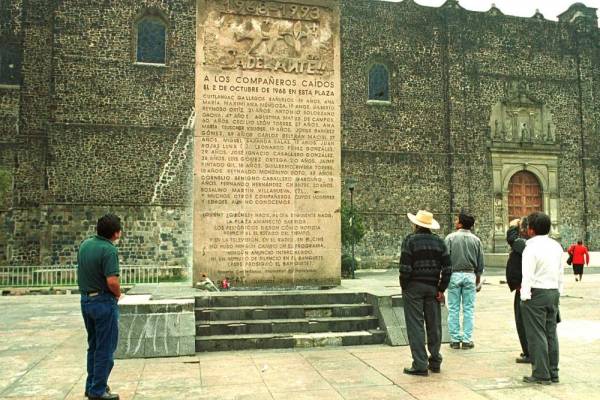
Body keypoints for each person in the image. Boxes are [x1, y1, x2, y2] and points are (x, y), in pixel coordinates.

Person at [399, 210, 452, 376]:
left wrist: (404, 285)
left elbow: (405, 268)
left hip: (414, 287)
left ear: (416, 224)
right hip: (432, 288)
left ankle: (420, 364)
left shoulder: (410, 241)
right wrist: (441, 288)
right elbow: (448, 268)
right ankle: (435, 360)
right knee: (434, 325)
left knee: (416, 326)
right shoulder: (439, 242)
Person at [77, 214, 123, 400]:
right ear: (116, 233)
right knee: (105, 349)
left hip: (86, 300)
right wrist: (119, 294)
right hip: (103, 302)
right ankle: (98, 391)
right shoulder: (108, 250)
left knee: (94, 347)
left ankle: (92, 386)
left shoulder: (85, 245)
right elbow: (112, 281)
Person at [520, 211, 563, 385]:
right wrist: (559, 291)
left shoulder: (530, 247)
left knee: (536, 335)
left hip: (536, 293)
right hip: (553, 292)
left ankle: (540, 373)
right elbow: (560, 273)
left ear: (531, 230)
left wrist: (524, 296)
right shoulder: (556, 246)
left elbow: (527, 274)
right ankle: (553, 372)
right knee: (551, 333)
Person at [444, 210, 485, 349]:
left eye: (457, 220)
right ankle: (467, 340)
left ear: (460, 224)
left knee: (454, 308)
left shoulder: (450, 238)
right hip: (470, 275)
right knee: (468, 309)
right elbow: (480, 264)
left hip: (454, 275)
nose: (455, 222)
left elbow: (445, 260)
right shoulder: (476, 240)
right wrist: (477, 280)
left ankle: (455, 340)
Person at [505, 217, 530, 364]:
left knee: (523, 322)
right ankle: (529, 350)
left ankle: (529, 352)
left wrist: (513, 226)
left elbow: (512, 240)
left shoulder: (524, 244)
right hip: (523, 287)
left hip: (524, 289)